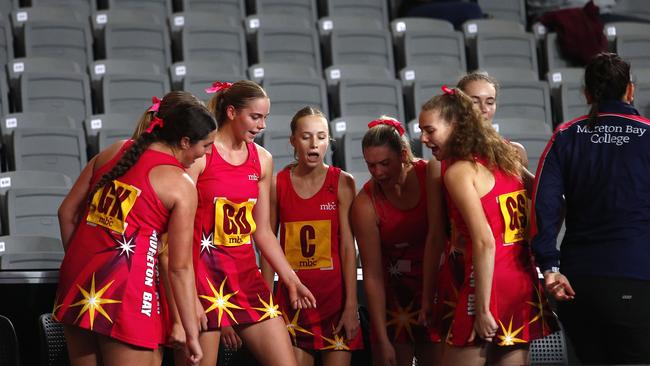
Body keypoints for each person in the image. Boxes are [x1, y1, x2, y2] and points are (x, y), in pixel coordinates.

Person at [54, 91, 217, 366]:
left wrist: (84, 263)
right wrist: (191, 333)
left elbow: (65, 212)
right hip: (126, 293)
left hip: (76, 281)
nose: (207, 153)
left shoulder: (114, 150)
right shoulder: (181, 184)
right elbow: (179, 268)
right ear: (185, 141)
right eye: (205, 146)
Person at [419, 86, 558, 366]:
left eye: (430, 130)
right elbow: (555, 202)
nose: (423, 138)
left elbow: (485, 242)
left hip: (487, 283)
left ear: (455, 126)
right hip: (521, 280)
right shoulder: (505, 157)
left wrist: (482, 308)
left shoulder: (459, 171)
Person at [531, 52, 650, 364]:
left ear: (587, 94)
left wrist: (549, 268)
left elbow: (544, 205)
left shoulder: (566, 136)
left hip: (577, 282)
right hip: (638, 278)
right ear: (630, 90)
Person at [189, 80, 317, 366]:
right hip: (202, 280)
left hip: (245, 277)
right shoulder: (201, 155)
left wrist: (291, 280)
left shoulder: (262, 159)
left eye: (265, 118)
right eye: (255, 117)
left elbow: (262, 230)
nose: (262, 126)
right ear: (232, 112)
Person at [259, 106, 362, 366]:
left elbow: (349, 248)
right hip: (293, 305)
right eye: (306, 137)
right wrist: (268, 303)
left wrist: (351, 306)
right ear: (293, 141)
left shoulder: (343, 182)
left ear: (329, 140)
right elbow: (267, 243)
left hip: (335, 303)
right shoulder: (277, 184)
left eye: (321, 136)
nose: (314, 144)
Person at [351, 117, 440, 366]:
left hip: (436, 289)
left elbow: (440, 236)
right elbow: (373, 275)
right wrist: (380, 338)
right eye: (370, 166)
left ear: (403, 155)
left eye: (384, 163)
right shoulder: (364, 203)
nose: (377, 172)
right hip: (395, 299)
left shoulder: (430, 173)